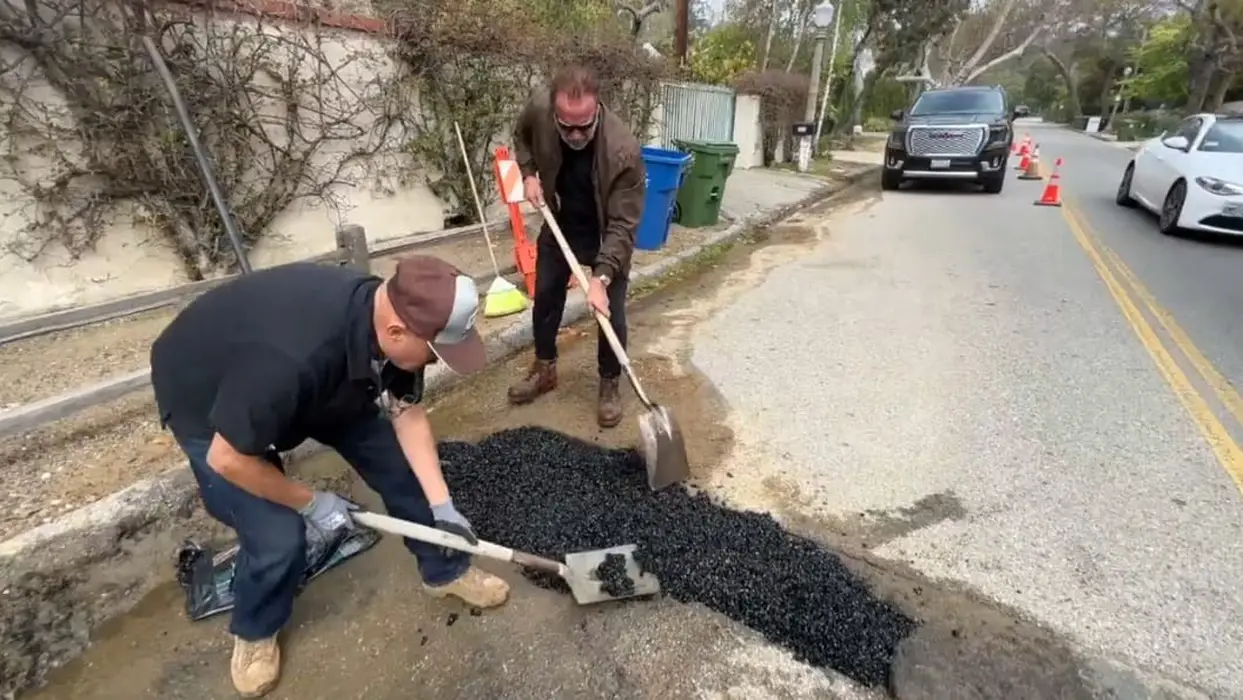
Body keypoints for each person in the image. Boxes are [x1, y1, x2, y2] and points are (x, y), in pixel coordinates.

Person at [149, 256, 509, 698]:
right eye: (435, 353)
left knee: (406, 474)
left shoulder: (393, 315)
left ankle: (445, 570)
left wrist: (442, 506)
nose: (435, 363)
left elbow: (407, 412)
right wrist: (311, 502)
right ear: (396, 332)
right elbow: (229, 460)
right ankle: (256, 631)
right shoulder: (291, 359)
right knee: (277, 534)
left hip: (315, 387)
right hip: (207, 400)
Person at [507, 65, 646, 428]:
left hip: (605, 231)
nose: (575, 134)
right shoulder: (539, 110)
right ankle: (545, 368)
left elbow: (623, 224)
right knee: (546, 297)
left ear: (597, 106)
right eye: (566, 125)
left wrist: (601, 276)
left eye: (584, 125)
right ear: (554, 110)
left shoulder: (623, 150)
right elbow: (521, 138)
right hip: (561, 221)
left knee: (610, 311)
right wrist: (528, 173)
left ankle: (610, 382)